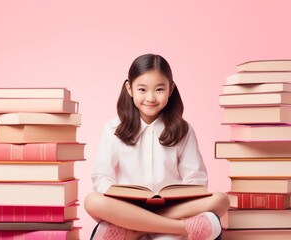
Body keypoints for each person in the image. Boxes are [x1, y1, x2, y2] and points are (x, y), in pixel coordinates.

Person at [84, 54, 229, 240]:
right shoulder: (113, 128)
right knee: (92, 201)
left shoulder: (183, 130)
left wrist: (181, 196)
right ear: (129, 88)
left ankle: (134, 231)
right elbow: (101, 176)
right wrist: (117, 197)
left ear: (171, 89)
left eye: (159, 89)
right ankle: (183, 228)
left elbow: (197, 180)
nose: (151, 98)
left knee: (221, 199)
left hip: (172, 208)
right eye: (142, 89)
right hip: (126, 208)